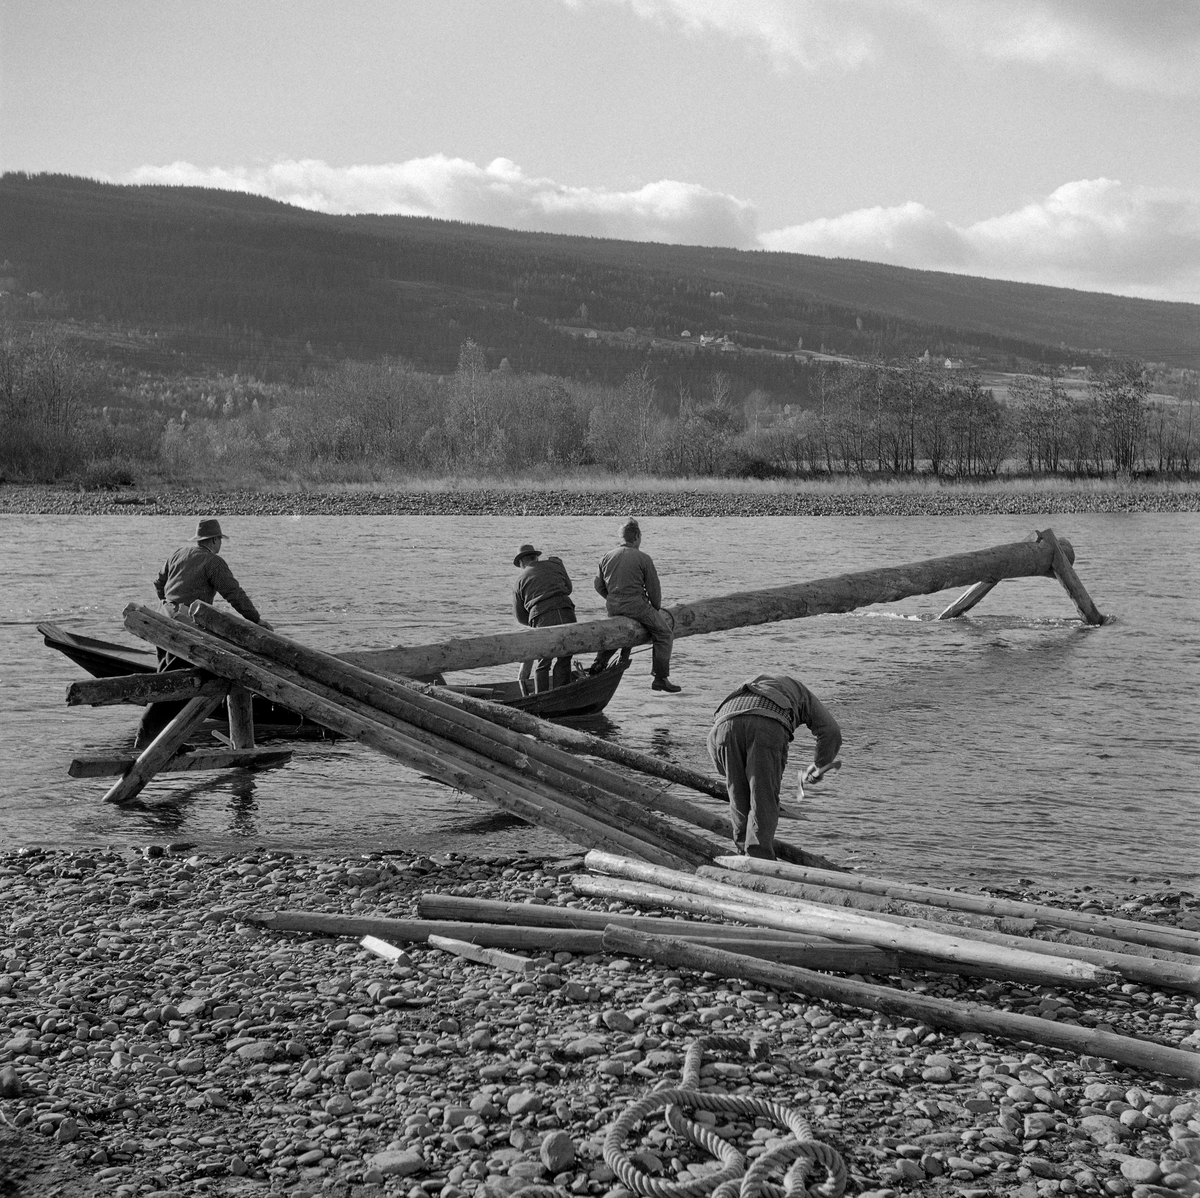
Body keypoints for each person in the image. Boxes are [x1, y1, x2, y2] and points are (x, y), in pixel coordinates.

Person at [133, 518, 272, 749]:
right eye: (220, 540)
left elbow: (159, 582)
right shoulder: (213, 562)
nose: (221, 545)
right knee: (179, 684)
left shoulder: (179, 554)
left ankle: (165, 741)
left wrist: (167, 604)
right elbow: (234, 594)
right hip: (184, 629)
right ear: (215, 540)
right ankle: (147, 738)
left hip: (160, 621)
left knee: (164, 680)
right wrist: (256, 620)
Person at [707, 674, 842, 860]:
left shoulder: (743, 691)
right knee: (763, 798)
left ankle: (743, 855)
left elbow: (713, 743)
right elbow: (831, 731)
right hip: (766, 725)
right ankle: (760, 861)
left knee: (738, 797)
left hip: (723, 726)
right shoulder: (801, 692)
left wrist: (729, 770)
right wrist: (819, 765)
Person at [590, 518, 679, 692]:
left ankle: (598, 663)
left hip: (613, 605)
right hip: (637, 605)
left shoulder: (606, 557)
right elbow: (654, 590)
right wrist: (656, 607)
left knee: (617, 633)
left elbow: (598, 585)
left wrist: (611, 598)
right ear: (637, 536)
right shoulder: (644, 558)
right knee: (664, 634)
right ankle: (660, 678)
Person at [512, 543, 576, 692]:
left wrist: (534, 620)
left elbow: (520, 616)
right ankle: (562, 694)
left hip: (541, 617)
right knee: (565, 656)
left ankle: (542, 696)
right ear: (536, 557)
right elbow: (569, 589)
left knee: (543, 661)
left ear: (522, 562)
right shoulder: (555, 564)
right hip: (566, 611)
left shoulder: (519, 580)